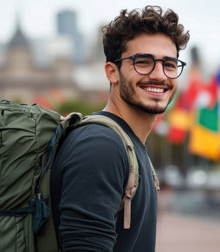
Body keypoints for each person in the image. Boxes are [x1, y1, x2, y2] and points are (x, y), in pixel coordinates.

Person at [50, 5, 189, 251]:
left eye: (169, 64)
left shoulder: (129, 145)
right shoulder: (101, 146)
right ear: (112, 72)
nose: (159, 75)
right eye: (143, 62)